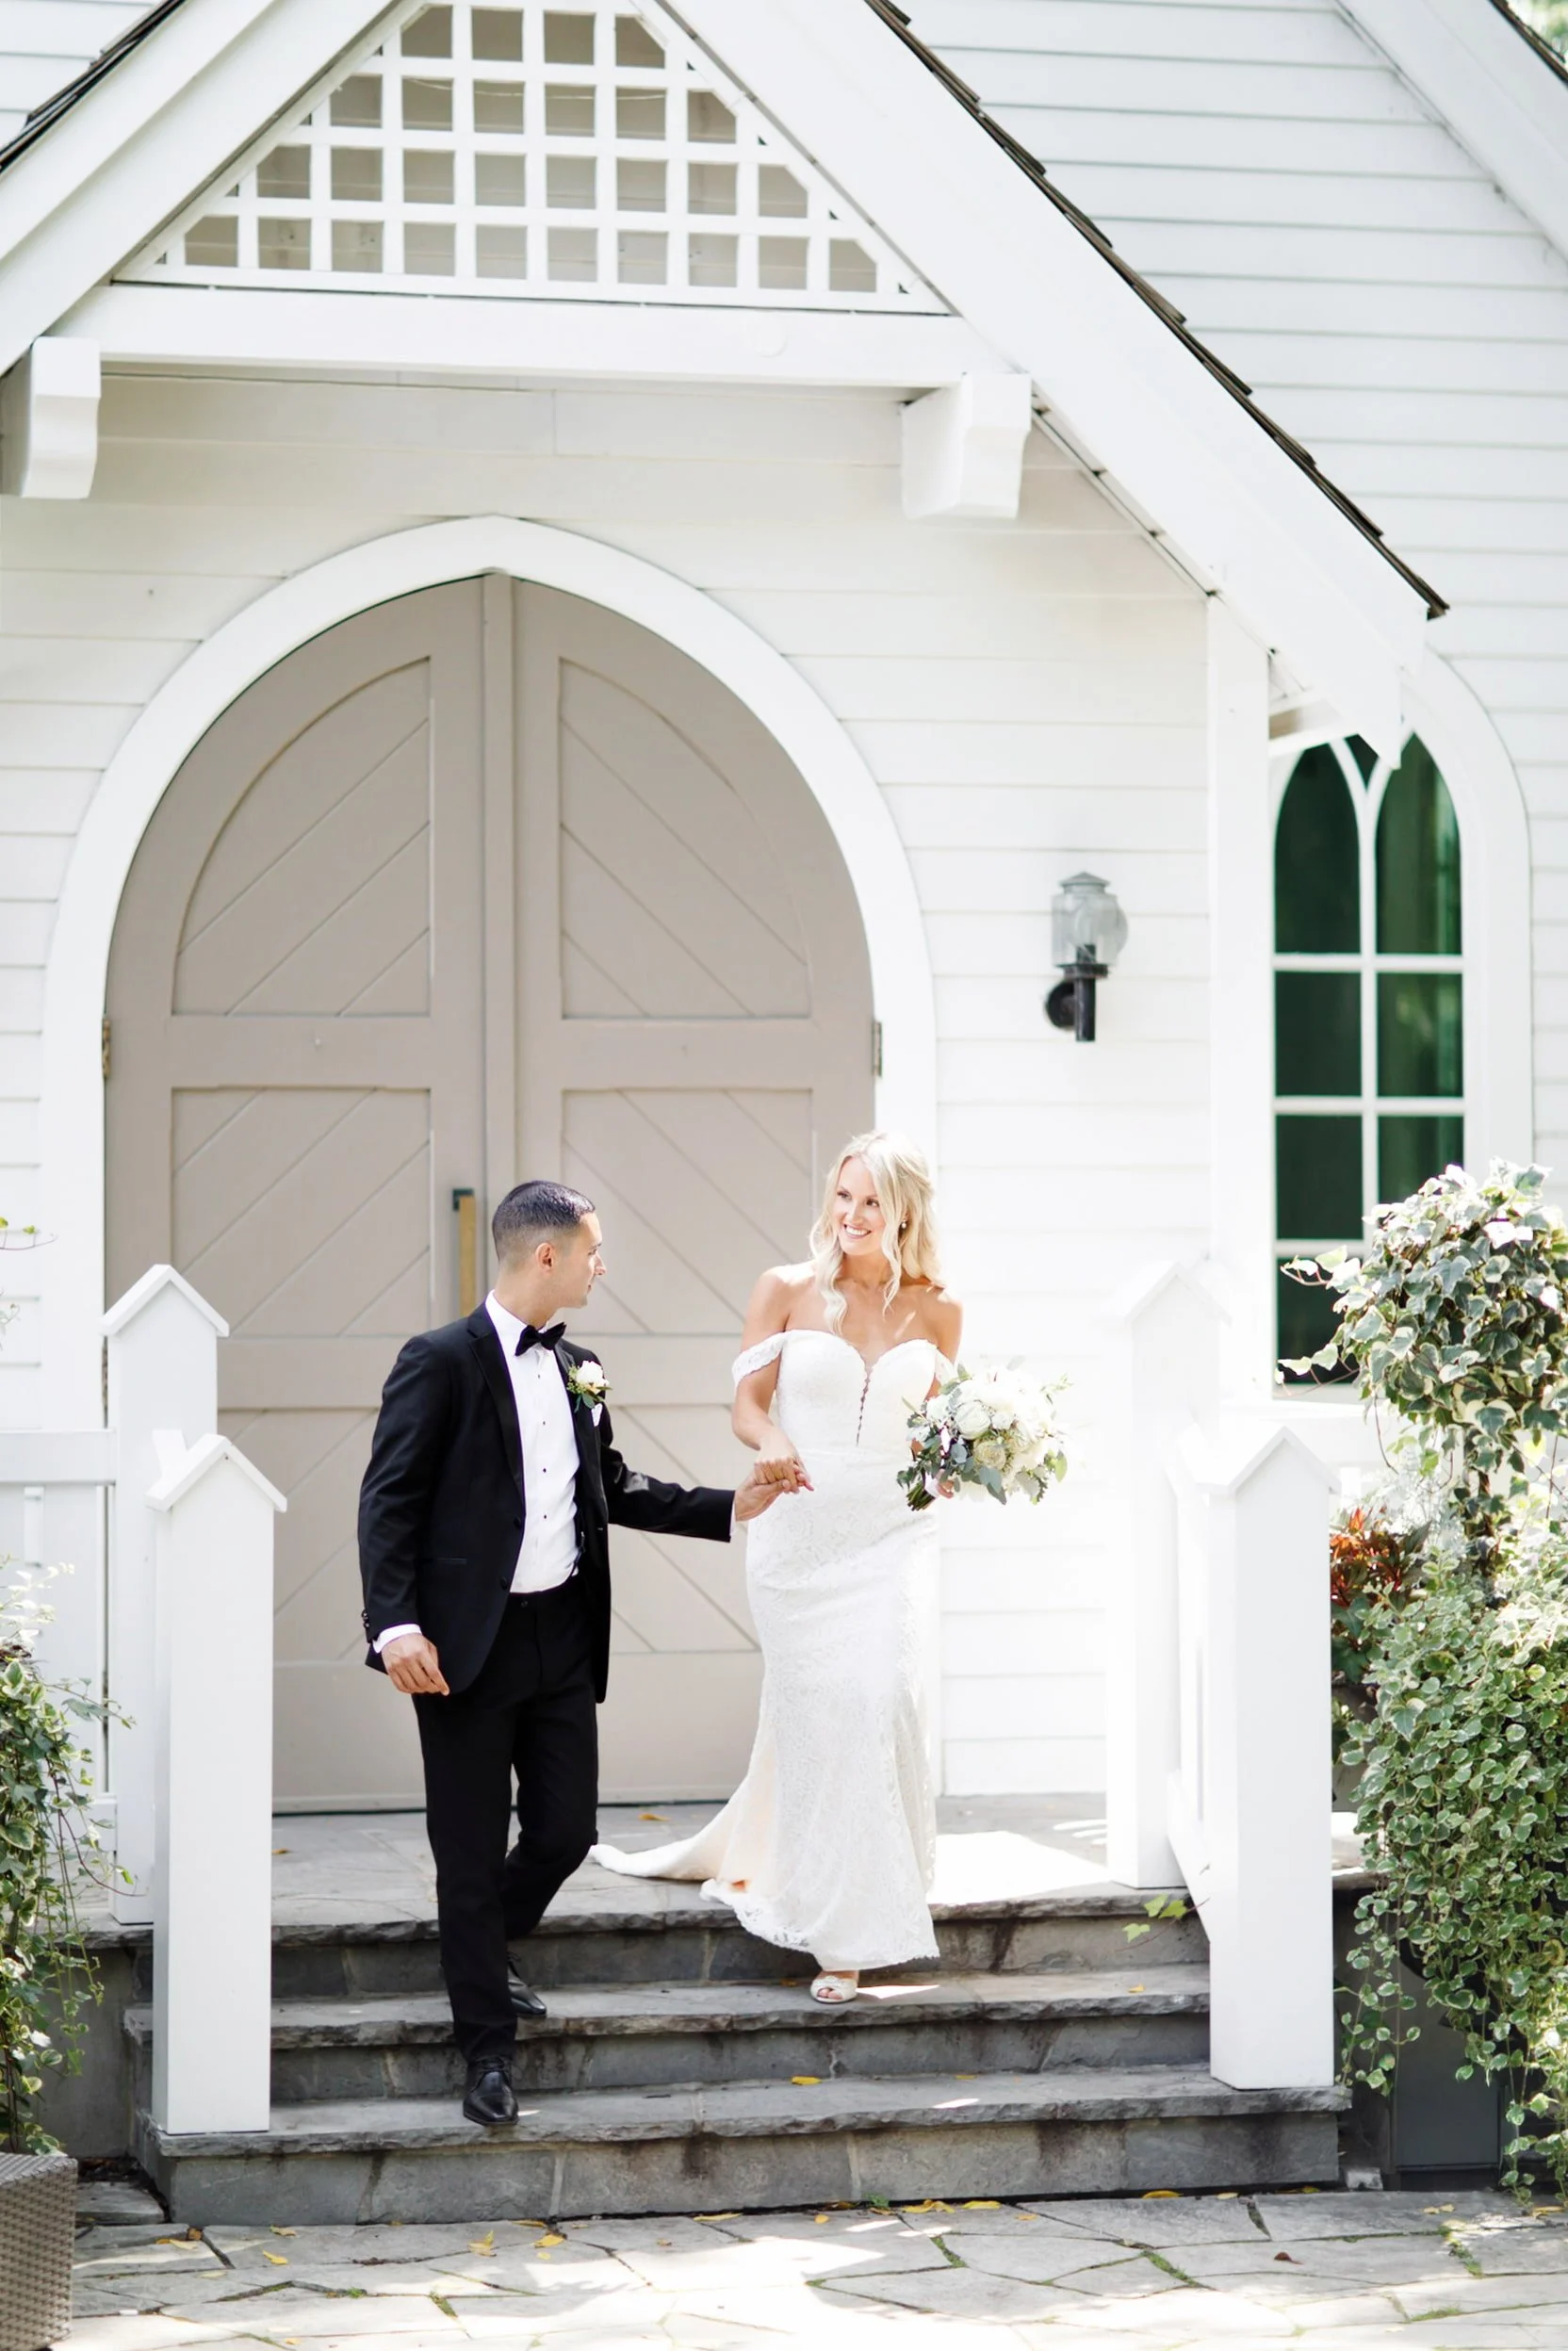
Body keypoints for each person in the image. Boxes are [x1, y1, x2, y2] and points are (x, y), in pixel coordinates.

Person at [357, 1179, 797, 2126]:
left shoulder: (580, 1366)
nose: (603, 1265)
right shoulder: (436, 1361)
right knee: (467, 1852)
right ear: (545, 1256)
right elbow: (388, 1498)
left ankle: (480, 1942)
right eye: (592, 1250)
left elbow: (614, 1487)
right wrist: (393, 1624)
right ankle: (486, 2053)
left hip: (560, 1634)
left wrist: (729, 1507)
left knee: (561, 1831)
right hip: (462, 1647)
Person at [594, 1133, 961, 2003]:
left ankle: (861, 1914)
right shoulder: (786, 1290)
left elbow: (942, 1430)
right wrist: (774, 1440)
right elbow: (746, 1409)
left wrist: (974, 1457)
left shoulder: (941, 1309)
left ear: (906, 1209)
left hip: (895, 1531)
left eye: (872, 1201)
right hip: (798, 1533)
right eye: (843, 1196)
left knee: (880, 1696)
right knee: (826, 1710)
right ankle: (834, 1915)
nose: (853, 1216)